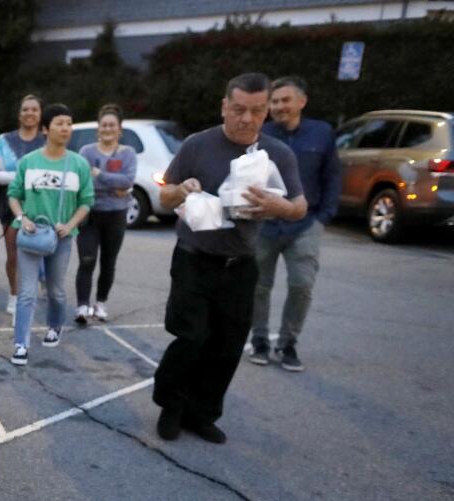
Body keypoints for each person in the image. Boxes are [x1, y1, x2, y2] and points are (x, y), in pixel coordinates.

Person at [154, 72, 307, 444]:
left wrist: (279, 205)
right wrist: (182, 189)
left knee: (226, 345)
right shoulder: (198, 145)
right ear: (224, 106)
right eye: (238, 109)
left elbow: (300, 206)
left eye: (257, 111)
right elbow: (164, 197)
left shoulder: (277, 154)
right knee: (191, 337)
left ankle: (201, 413)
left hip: (240, 264)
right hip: (194, 257)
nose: (247, 119)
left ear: (266, 111)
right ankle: (171, 407)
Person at [249, 76, 340, 372]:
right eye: (274, 102)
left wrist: (323, 216)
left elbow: (332, 176)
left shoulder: (322, 133)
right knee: (258, 286)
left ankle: (288, 343)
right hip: (265, 224)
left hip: (305, 223)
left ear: (302, 101)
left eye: (285, 100)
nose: (279, 106)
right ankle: (260, 340)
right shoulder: (261, 134)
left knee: (302, 284)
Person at [7, 103, 94, 366]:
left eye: (68, 123)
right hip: (31, 236)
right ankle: (20, 344)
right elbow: (14, 195)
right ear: (46, 129)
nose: (65, 128)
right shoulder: (29, 162)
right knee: (26, 293)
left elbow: (86, 201)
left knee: (56, 291)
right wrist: (22, 219)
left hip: (62, 238)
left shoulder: (79, 164)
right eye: (59, 123)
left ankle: (55, 325)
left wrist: (69, 226)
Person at [75, 104, 138, 324]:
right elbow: (84, 182)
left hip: (116, 215)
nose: (108, 128)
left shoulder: (128, 153)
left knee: (109, 261)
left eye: (112, 125)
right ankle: (82, 305)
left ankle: (100, 303)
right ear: (98, 128)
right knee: (87, 260)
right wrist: (114, 185)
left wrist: (100, 174)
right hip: (89, 214)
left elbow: (128, 181)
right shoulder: (86, 152)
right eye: (104, 125)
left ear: (119, 130)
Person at [0, 94, 45, 315]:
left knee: (41, 249)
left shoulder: (47, 140)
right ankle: (14, 294)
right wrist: (23, 178)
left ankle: (36, 285)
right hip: (11, 203)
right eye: (25, 109)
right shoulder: (4, 140)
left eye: (34, 109)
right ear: (19, 114)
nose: (29, 113)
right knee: (13, 254)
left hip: (42, 204)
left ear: (40, 114)